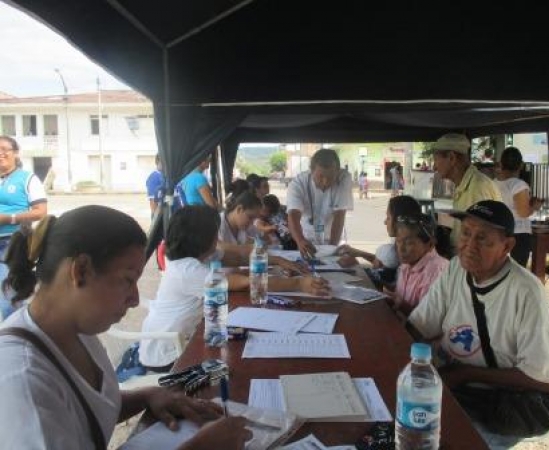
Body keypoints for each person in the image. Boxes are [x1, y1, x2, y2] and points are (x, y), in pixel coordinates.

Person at [0, 205, 251, 450]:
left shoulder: (75, 330)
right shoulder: (22, 380)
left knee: (220, 373)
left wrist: (147, 396)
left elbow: (86, 410)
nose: (134, 299)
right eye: (127, 280)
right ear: (81, 271)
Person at [408, 201, 549, 444]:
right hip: (452, 389)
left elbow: (548, 380)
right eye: (466, 234)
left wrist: (466, 373)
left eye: (483, 239)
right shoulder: (455, 271)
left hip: (500, 405)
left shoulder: (527, 292)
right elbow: (420, 326)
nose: (469, 246)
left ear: (507, 246)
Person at [139, 206, 330, 368]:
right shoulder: (187, 270)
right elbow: (247, 283)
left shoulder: (199, 256)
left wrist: (277, 260)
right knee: (236, 364)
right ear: (203, 238)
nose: (218, 238)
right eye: (215, 233)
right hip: (168, 354)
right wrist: (298, 284)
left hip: (185, 338)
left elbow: (239, 257)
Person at [0, 136, 48, 319]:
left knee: (9, 298)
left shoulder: (27, 178)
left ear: (15, 153)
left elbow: (40, 211)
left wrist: (8, 218)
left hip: (12, 243)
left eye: (5, 149)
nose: (0, 153)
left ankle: (16, 339)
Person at [432, 133, 501, 251]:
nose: (434, 167)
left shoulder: (478, 187)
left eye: (436, 160)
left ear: (451, 158)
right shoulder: (464, 185)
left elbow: (480, 238)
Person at [287, 148, 353, 258]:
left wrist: (332, 249)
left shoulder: (344, 178)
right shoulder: (297, 184)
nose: (325, 182)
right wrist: (300, 240)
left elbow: (339, 215)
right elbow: (293, 215)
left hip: (335, 239)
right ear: (311, 171)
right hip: (308, 240)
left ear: (337, 171)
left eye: (330, 177)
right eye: (320, 177)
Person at [384, 213, 449, 316]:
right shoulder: (408, 263)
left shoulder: (436, 272)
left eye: (408, 243)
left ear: (430, 244)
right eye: (398, 241)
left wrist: (401, 305)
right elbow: (401, 294)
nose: (400, 249)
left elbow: (428, 322)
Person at [337, 195, 422, 270]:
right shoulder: (400, 245)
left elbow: (394, 284)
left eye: (388, 218)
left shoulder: (409, 255)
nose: (385, 222)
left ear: (399, 221)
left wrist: (357, 265)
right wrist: (359, 253)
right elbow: (384, 264)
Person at [494, 146, 543, 267]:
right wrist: (535, 207)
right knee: (516, 272)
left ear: (501, 164)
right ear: (520, 165)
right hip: (518, 234)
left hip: (498, 232)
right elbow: (523, 212)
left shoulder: (493, 183)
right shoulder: (519, 185)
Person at [145, 154, 164, 218]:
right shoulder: (154, 177)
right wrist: (156, 217)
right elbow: (152, 201)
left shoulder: (166, 175)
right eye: (163, 161)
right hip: (159, 215)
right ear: (158, 162)